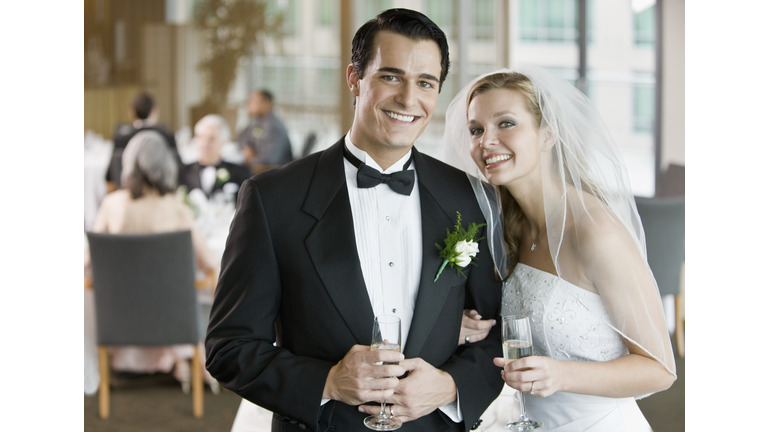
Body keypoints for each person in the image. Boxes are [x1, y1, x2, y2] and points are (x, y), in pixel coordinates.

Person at [205, 9, 503, 432]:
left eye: (425, 83)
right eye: (391, 77)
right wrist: (327, 381)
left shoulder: (467, 197)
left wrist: (451, 385)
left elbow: (497, 330)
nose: (408, 99)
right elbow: (228, 347)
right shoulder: (273, 199)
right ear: (354, 79)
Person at [443, 66, 677, 431]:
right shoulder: (503, 227)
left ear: (548, 135)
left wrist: (561, 375)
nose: (486, 141)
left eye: (506, 123)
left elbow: (660, 371)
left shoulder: (595, 231)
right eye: (476, 129)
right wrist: (463, 326)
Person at [88, 130, 220, 394]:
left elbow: (89, 261)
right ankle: (192, 357)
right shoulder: (175, 207)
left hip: (120, 317)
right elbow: (209, 264)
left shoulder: (112, 205)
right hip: (170, 317)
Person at [107, 92, 178, 187]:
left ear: (132, 112)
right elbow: (179, 172)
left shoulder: (120, 140)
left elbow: (110, 176)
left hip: (129, 194)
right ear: (154, 111)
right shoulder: (168, 138)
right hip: (161, 194)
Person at [179, 114, 252, 199]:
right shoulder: (183, 172)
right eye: (200, 137)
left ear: (224, 142)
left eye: (211, 138)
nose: (204, 143)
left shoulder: (240, 173)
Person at [238, 89, 293, 169]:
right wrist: (246, 147)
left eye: (252, 101)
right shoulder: (258, 121)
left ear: (265, 104)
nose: (248, 104)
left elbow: (270, 159)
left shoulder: (274, 127)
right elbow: (243, 137)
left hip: (275, 174)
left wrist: (249, 160)